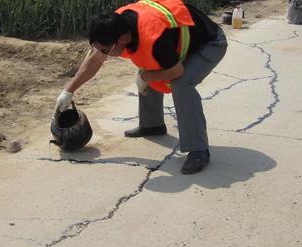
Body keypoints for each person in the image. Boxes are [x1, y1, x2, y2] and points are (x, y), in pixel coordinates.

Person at [55, 0, 228, 174]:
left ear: (122, 39)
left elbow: (176, 71)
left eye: (106, 50)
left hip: (210, 43)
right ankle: (152, 125)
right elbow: (95, 59)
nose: (104, 55)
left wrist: (146, 77)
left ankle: (198, 150)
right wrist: (68, 90)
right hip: (175, 43)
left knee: (181, 84)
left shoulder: (154, 36)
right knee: (149, 63)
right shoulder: (116, 25)